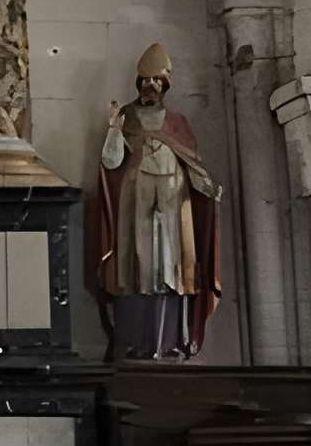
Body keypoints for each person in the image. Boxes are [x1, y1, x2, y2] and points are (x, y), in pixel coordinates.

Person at [93, 40, 220, 359]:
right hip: (135, 204)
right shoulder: (126, 116)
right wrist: (112, 131)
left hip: (174, 206)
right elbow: (110, 163)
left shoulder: (177, 122)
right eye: (146, 80)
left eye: (157, 81)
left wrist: (206, 187)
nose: (150, 86)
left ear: (166, 85)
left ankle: (172, 342)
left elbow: (192, 163)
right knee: (138, 270)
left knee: (173, 271)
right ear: (138, 83)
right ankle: (134, 342)